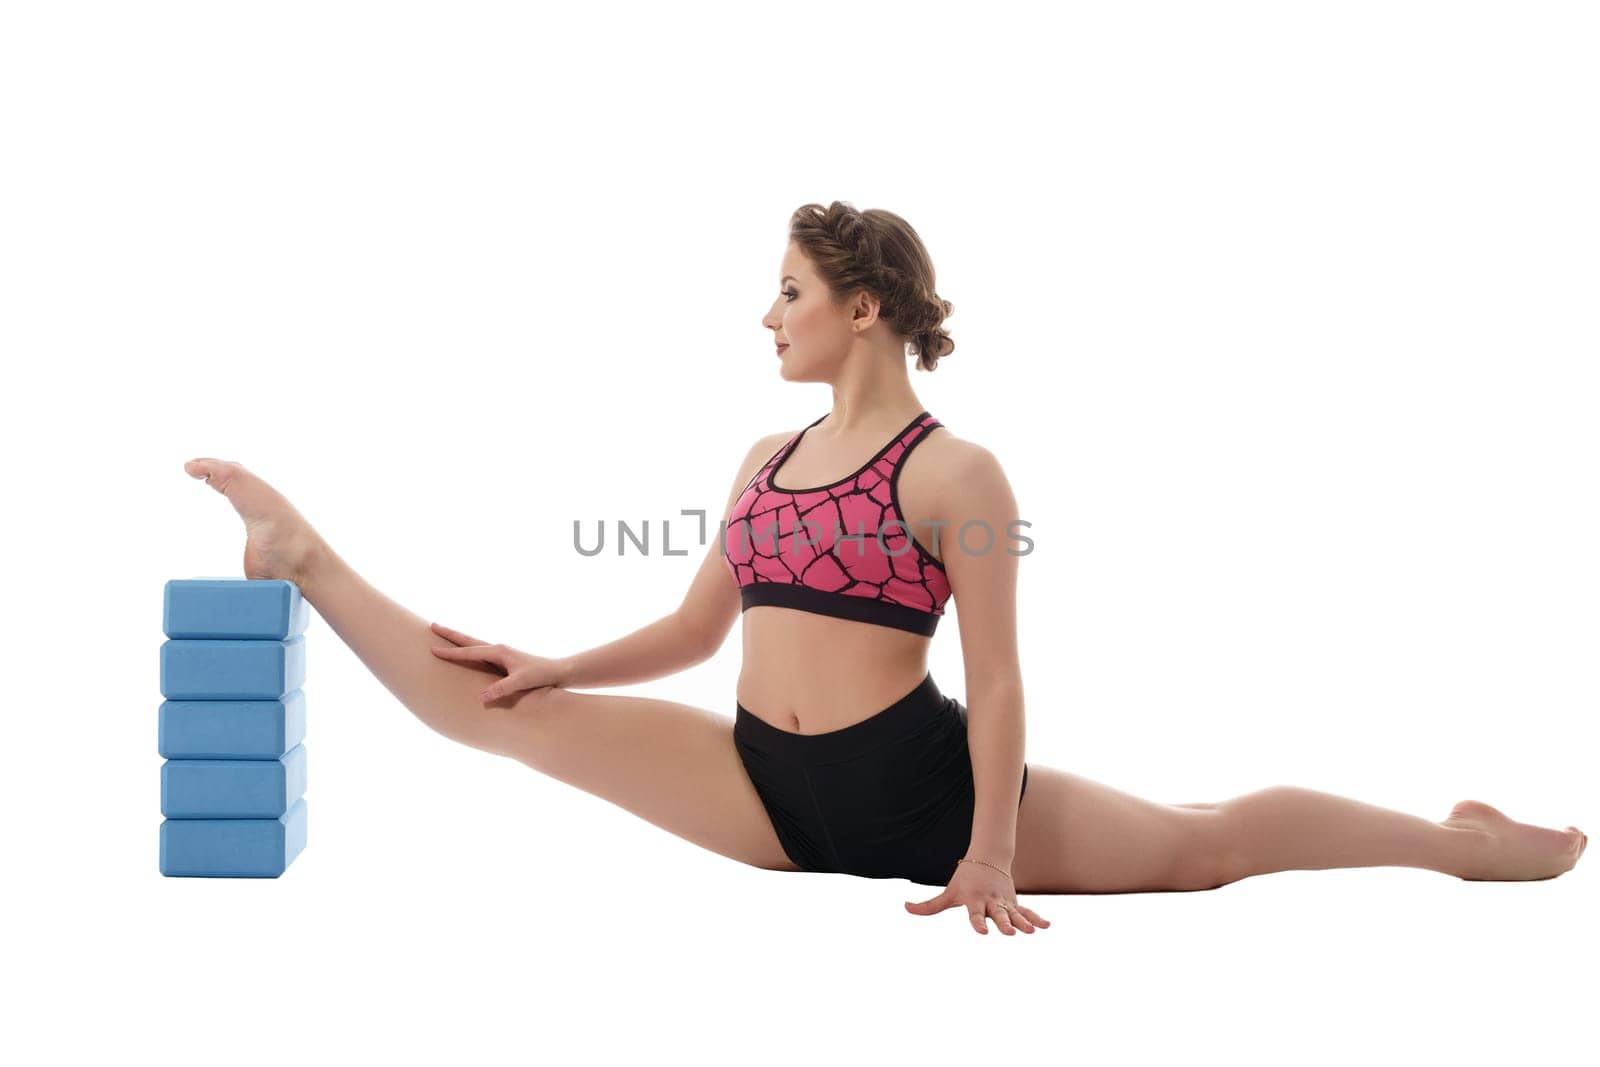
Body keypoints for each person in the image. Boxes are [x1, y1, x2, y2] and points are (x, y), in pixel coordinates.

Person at [184, 200, 1586, 936]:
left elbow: (1003, 683)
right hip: (764, 791)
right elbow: (693, 627)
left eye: (787, 291)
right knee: (499, 711)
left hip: (916, 788)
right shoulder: (758, 458)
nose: (765, 315)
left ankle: (1464, 850)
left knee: (1206, 845)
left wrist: (986, 846)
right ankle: (306, 554)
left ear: (862, 308)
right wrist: (562, 662)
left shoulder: (956, 474)